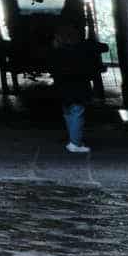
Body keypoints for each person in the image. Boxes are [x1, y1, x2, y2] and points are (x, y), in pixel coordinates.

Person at [50, 21, 105, 155]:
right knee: (77, 113)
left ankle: (73, 139)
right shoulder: (80, 50)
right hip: (78, 86)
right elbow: (89, 68)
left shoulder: (57, 51)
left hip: (63, 87)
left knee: (68, 113)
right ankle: (75, 143)